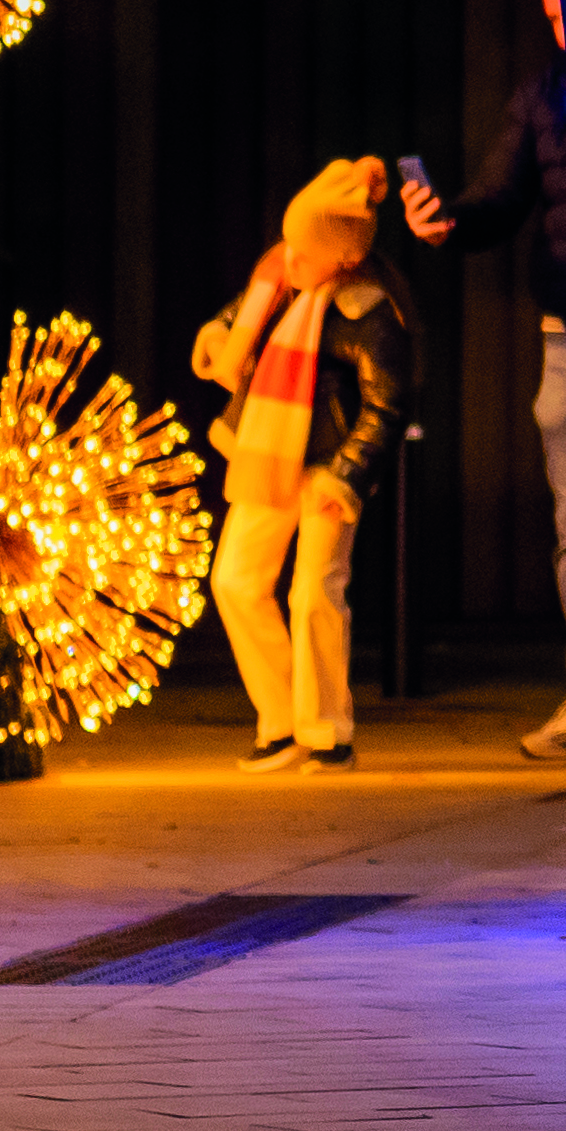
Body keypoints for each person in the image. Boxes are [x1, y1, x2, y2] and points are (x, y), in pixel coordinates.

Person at [404, 0, 566, 763]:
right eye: (551, 16)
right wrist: (445, 223)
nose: (565, 29)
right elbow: (497, 198)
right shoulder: (543, 97)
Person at [194, 157, 413, 773]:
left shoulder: (368, 314)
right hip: (269, 453)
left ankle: (326, 731)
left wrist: (346, 475)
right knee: (236, 580)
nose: (287, 256)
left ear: (341, 258)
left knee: (315, 592)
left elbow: (386, 405)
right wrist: (218, 334)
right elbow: (239, 318)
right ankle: (283, 718)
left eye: (303, 248)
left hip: (324, 468)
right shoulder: (280, 279)